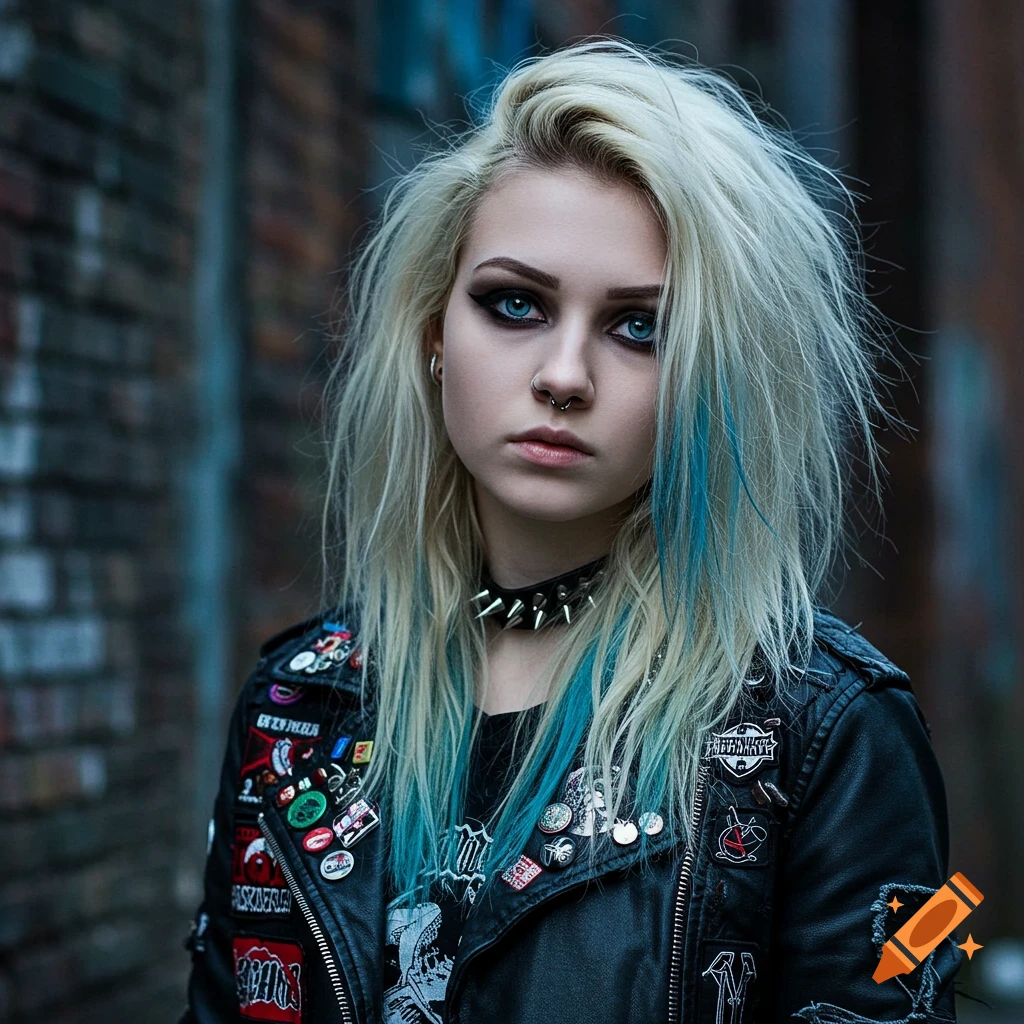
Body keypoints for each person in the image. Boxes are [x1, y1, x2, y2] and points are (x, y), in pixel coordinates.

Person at [180, 39, 964, 1024]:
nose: (562, 374)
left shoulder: (826, 734)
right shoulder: (298, 706)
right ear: (433, 333)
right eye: (514, 303)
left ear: (709, 379)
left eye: (640, 328)